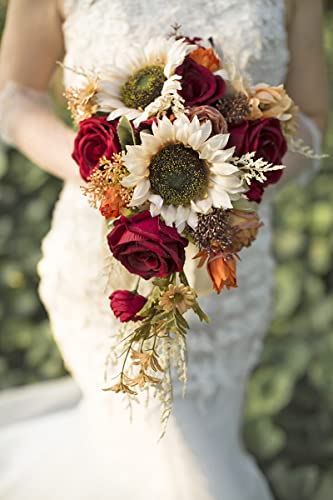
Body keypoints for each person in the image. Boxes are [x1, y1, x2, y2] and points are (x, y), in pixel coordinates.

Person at [0, 0, 328, 499]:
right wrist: (106, 176)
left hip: (228, 278)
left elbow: (315, 116)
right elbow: (15, 95)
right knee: (178, 470)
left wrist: (237, 181)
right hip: (106, 273)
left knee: (191, 449)